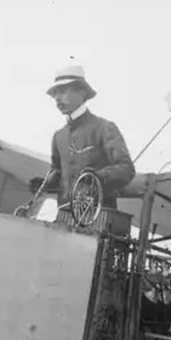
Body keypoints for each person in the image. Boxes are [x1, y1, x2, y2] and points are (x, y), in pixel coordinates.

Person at [36, 65, 135, 226]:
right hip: (64, 221)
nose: (57, 98)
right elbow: (57, 174)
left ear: (82, 92)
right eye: (55, 94)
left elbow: (126, 168)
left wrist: (98, 178)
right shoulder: (58, 137)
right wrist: (45, 184)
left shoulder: (104, 128)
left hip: (99, 222)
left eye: (63, 91)